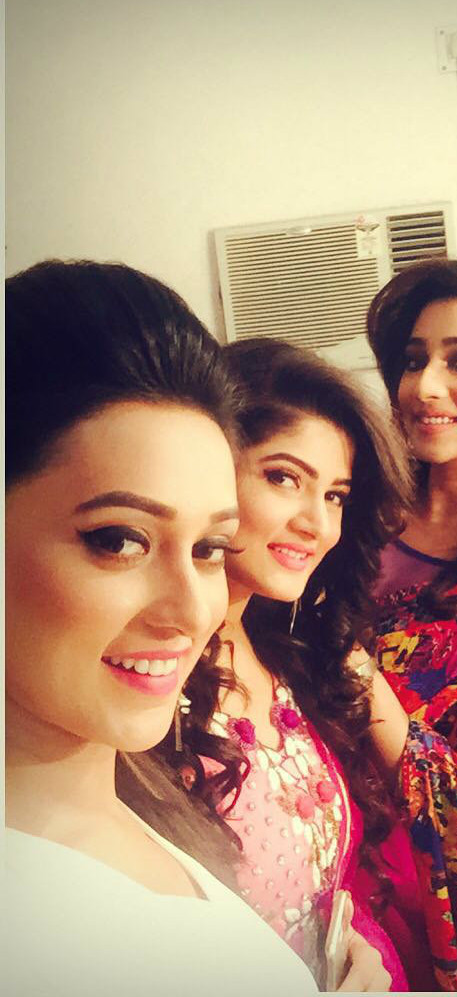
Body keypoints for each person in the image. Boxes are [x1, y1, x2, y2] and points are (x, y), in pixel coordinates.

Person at [6, 259, 391, 997]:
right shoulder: (46, 930)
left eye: (210, 547)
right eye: (119, 540)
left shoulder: (106, 814)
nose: (190, 613)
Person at [159, 338, 437, 992]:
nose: (317, 523)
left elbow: (323, 882)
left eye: (335, 495)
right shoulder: (146, 677)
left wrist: (359, 947)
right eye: (284, 478)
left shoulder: (290, 656)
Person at [364, 257, 457, 992]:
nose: (423, 386)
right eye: (413, 360)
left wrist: (350, 668)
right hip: (307, 813)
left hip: (430, 879)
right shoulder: (349, 504)